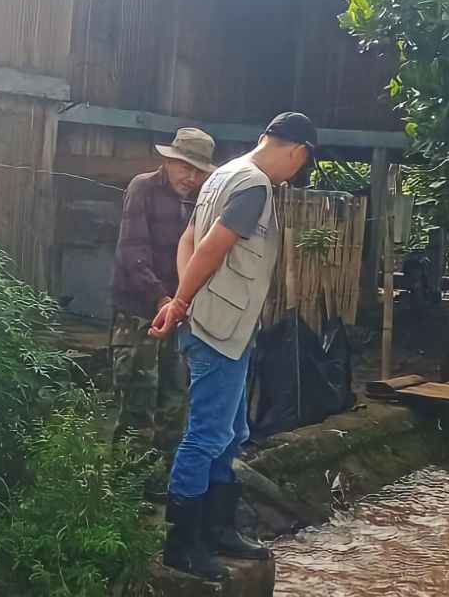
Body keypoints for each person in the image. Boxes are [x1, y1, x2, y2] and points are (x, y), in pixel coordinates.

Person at [149, 112, 316, 580]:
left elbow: (188, 240)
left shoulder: (223, 174)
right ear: (297, 151)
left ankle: (219, 530)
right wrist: (183, 302)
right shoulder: (255, 185)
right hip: (218, 330)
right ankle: (182, 546)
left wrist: (189, 300)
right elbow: (210, 248)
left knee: (232, 432)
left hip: (225, 326)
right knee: (206, 435)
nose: (294, 176)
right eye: (300, 167)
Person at [109, 127, 215, 458]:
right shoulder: (143, 188)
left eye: (199, 171)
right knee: (138, 402)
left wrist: (181, 303)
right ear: (168, 161)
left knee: (175, 402)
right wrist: (162, 298)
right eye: (186, 167)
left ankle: (161, 483)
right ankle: (125, 489)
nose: (191, 176)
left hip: (178, 313)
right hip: (140, 311)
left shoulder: (201, 200)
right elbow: (132, 252)